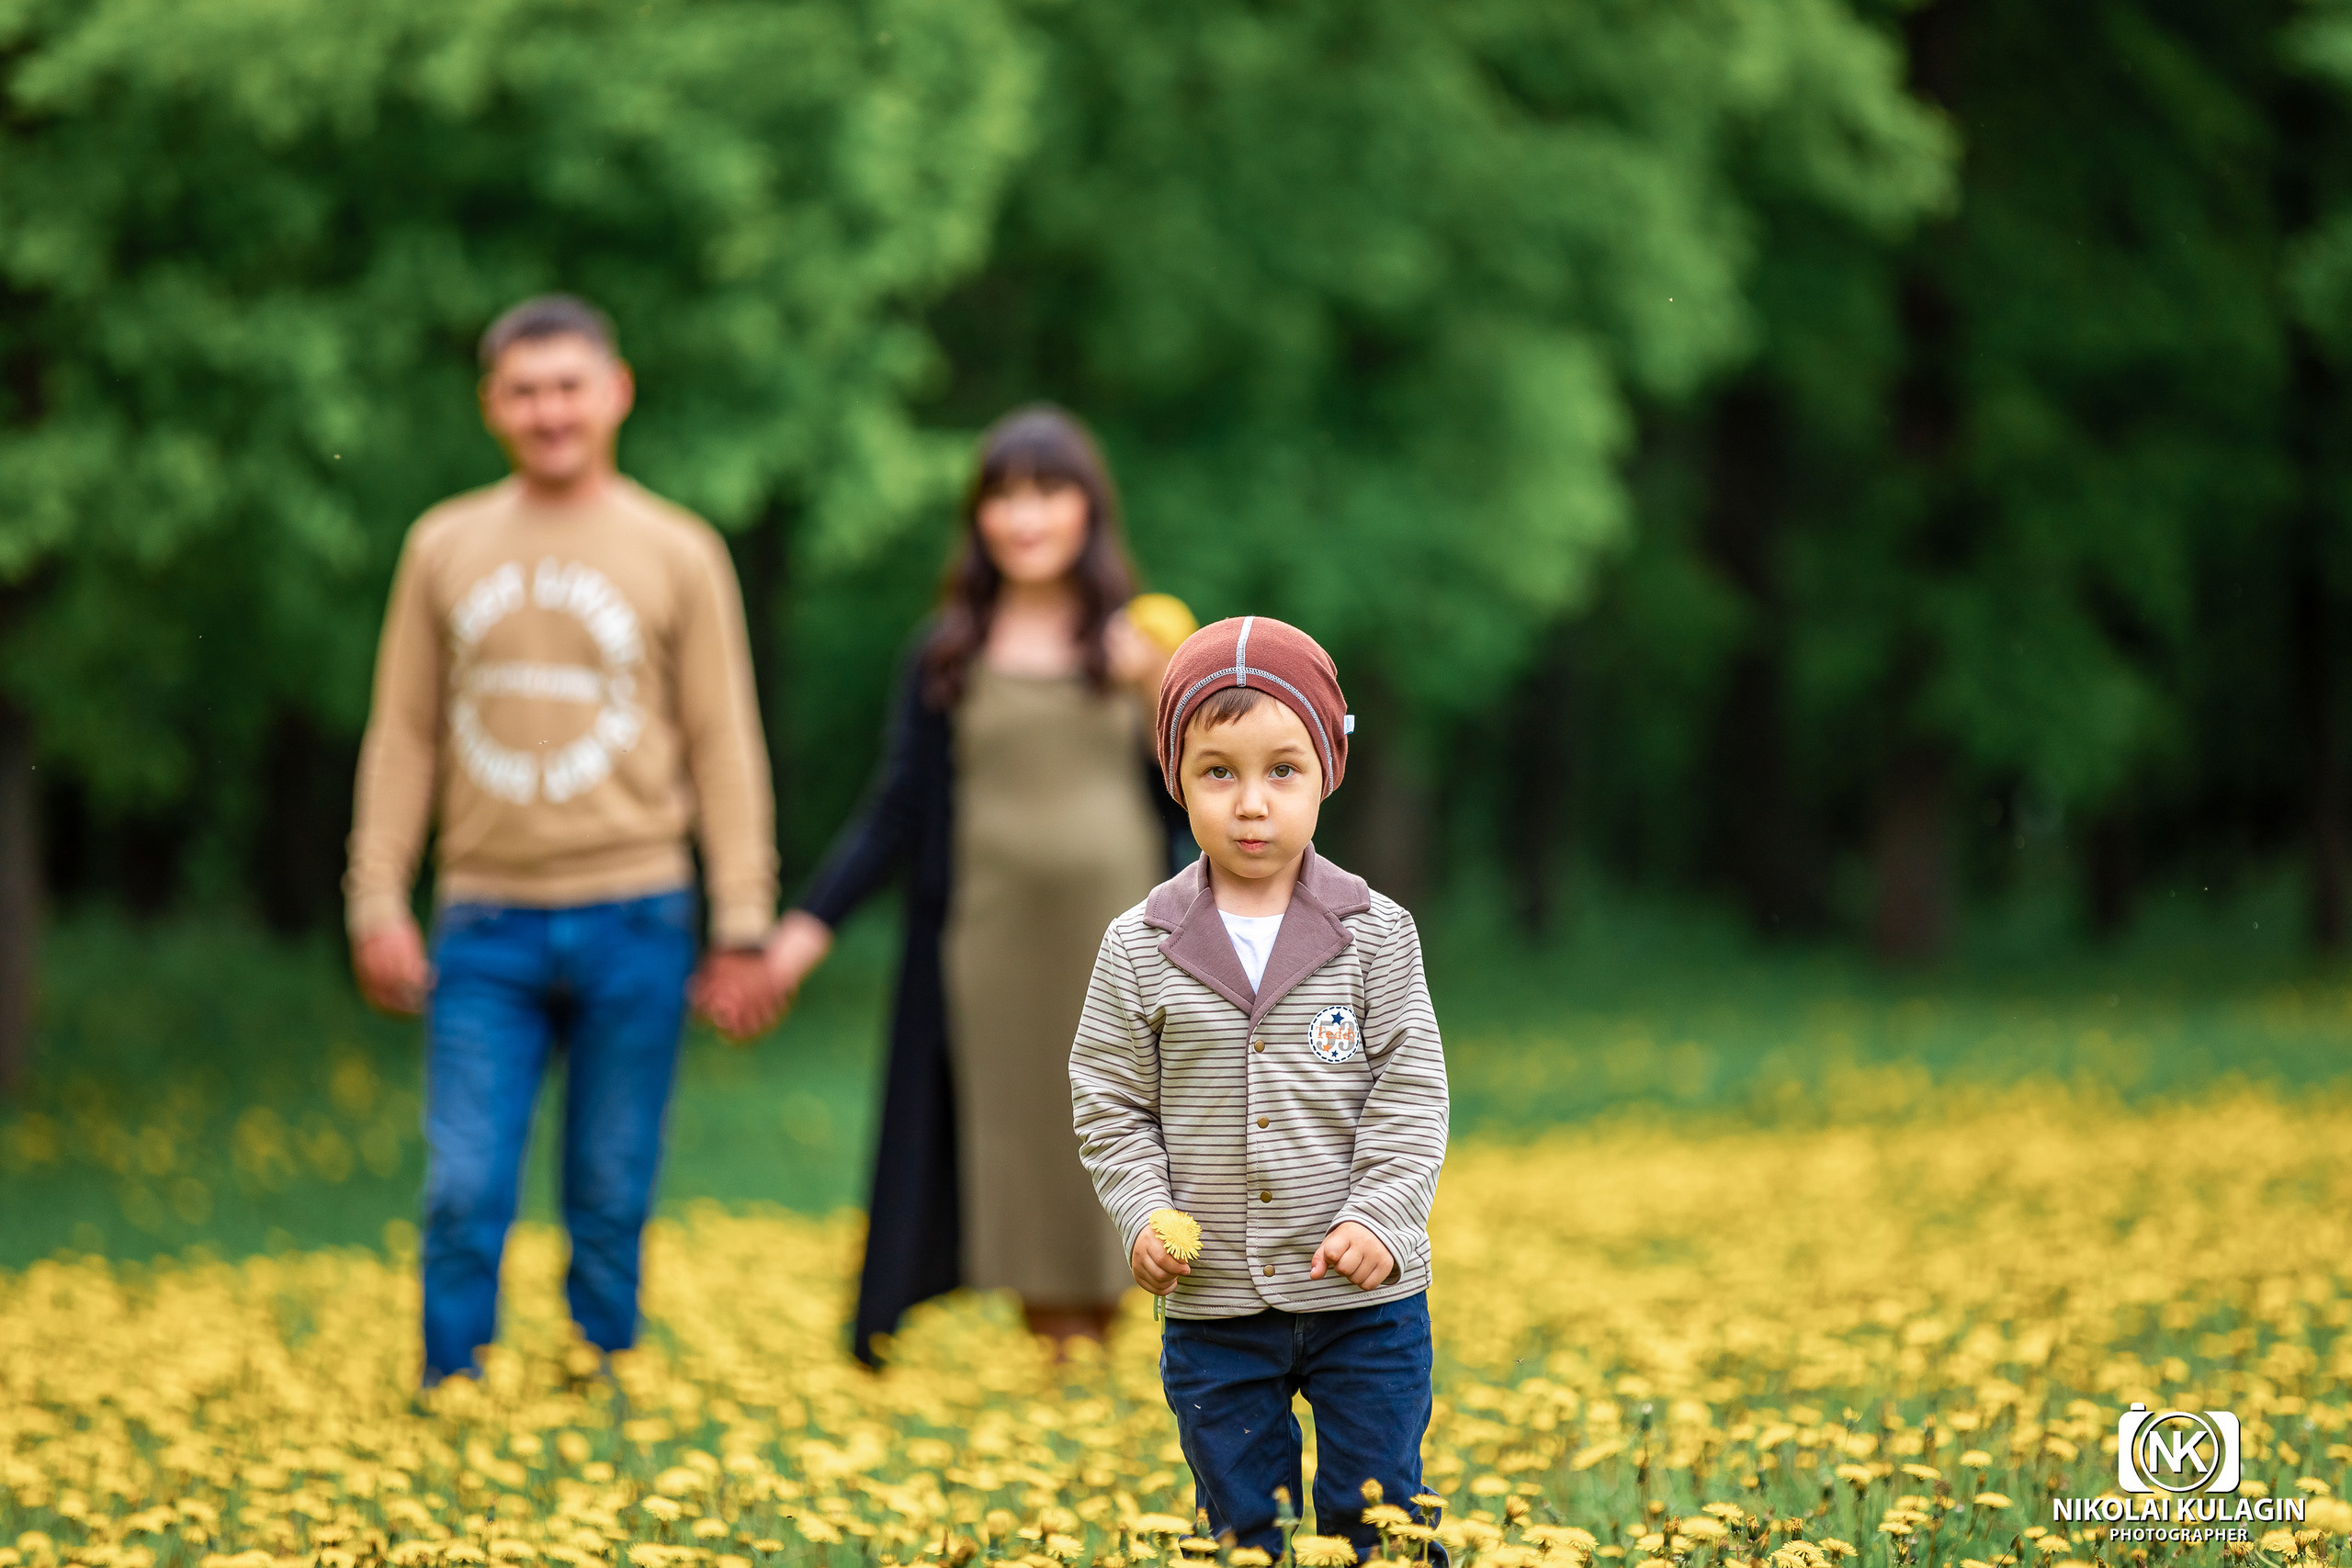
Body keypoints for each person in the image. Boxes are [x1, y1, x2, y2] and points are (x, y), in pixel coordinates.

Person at [345, 294, 780, 1384]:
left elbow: (725, 746)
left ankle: (603, 1379)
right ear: (492, 405)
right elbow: (402, 735)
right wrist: (375, 899)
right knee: (463, 1183)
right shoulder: (442, 544)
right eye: (525, 391)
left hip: (639, 911)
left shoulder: (678, 550)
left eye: (568, 386)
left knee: (610, 1182)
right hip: (484, 919)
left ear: (615, 391)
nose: (550, 412)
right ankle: (453, 1389)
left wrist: (741, 923)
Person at [741, 405, 1189, 1360]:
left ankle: (1115, 1341)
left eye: (1047, 493)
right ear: (979, 516)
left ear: (1087, 511)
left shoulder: (1140, 648)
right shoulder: (947, 653)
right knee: (1022, 1142)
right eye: (1003, 496)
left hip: (1118, 945)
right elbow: (897, 809)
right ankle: (1053, 1352)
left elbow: (1208, 792)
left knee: (1117, 1130)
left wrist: (1156, 692)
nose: (1025, 518)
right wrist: (801, 933)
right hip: (990, 951)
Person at [1069, 616, 1450, 1562]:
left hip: (1364, 1302)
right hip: (1215, 1311)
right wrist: (1144, 1214)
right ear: (1175, 779)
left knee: (1381, 1515)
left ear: (1327, 771)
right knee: (1245, 1530)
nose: (1250, 803)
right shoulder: (1137, 944)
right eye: (1217, 772)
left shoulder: (1377, 934)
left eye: (1282, 769)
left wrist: (1380, 1220)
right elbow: (1110, 1103)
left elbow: (1410, 1094)